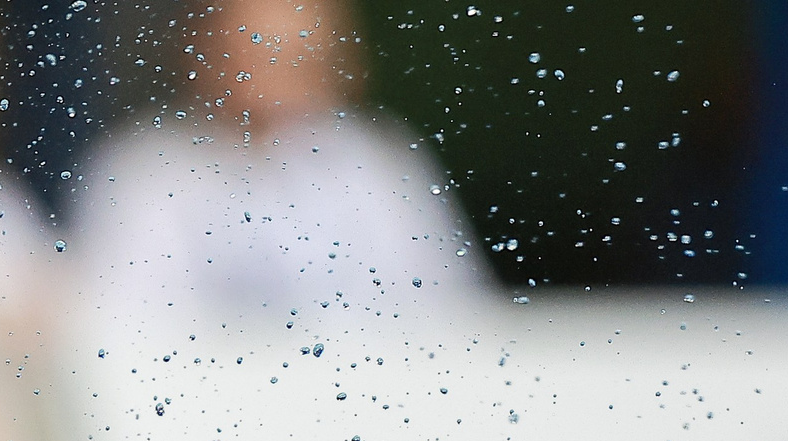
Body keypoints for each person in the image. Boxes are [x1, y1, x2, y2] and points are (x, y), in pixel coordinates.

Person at [71, 0, 489, 324]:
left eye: (299, 57)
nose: (278, 77)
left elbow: (451, 311)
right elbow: (124, 325)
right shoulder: (145, 168)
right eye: (259, 52)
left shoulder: (378, 163)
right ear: (205, 53)